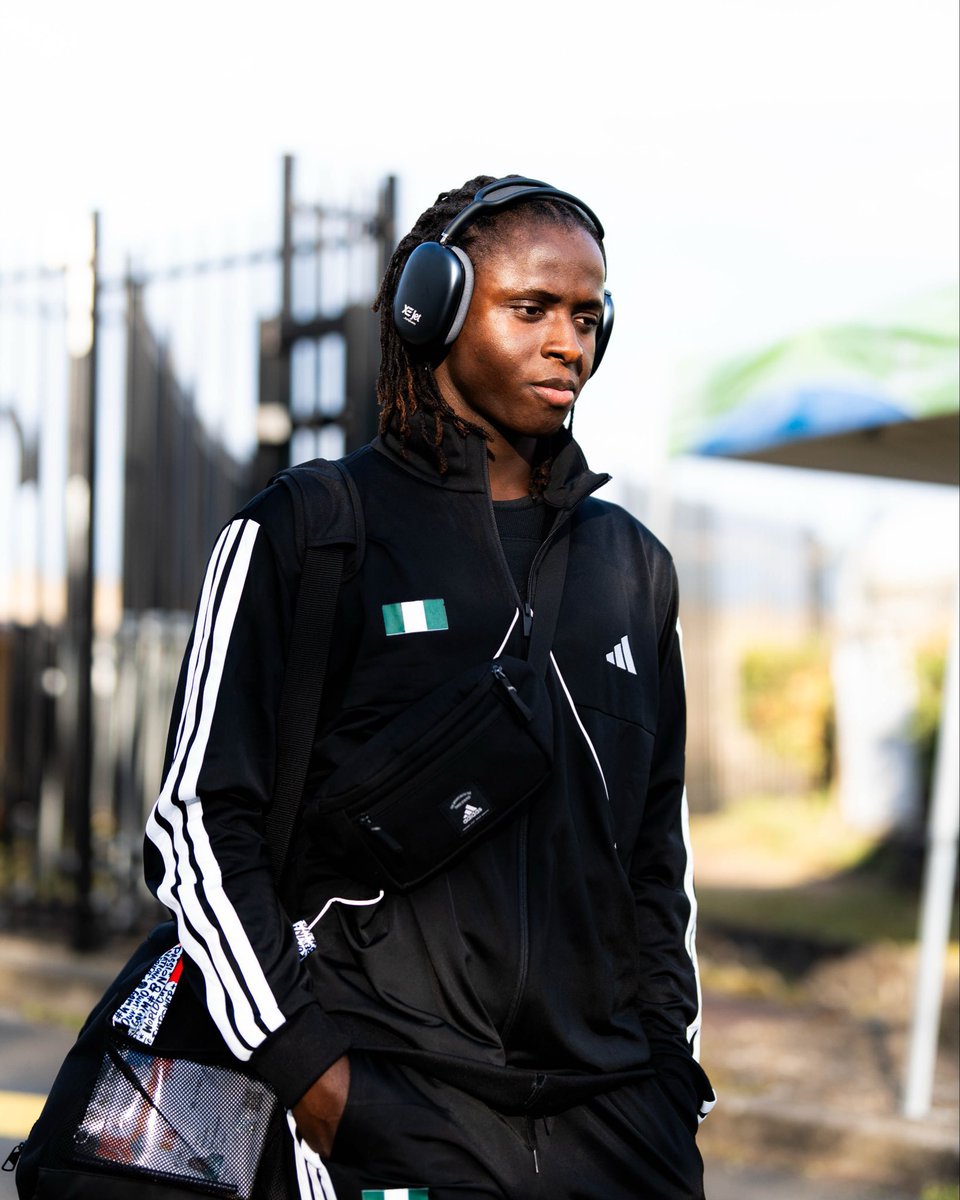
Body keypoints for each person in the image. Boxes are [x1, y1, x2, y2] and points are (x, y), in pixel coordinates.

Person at [144, 175, 716, 1199]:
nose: (568, 343)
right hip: (393, 1103)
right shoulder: (311, 531)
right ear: (432, 308)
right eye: (531, 309)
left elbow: (655, 854)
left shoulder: (633, 566)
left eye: (589, 316)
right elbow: (196, 822)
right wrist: (315, 1076)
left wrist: (671, 1079)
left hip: (619, 1119)